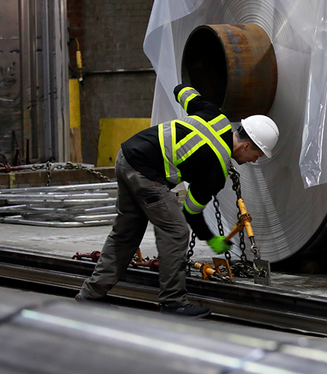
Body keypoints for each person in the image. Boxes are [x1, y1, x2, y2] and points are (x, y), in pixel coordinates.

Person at [76, 84, 279, 317]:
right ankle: (173, 302)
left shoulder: (215, 115)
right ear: (246, 145)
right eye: (257, 155)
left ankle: (91, 294)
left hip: (127, 156)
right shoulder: (216, 169)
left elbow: (182, 90)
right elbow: (190, 212)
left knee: (126, 232)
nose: (254, 161)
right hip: (146, 174)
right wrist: (212, 240)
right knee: (176, 232)